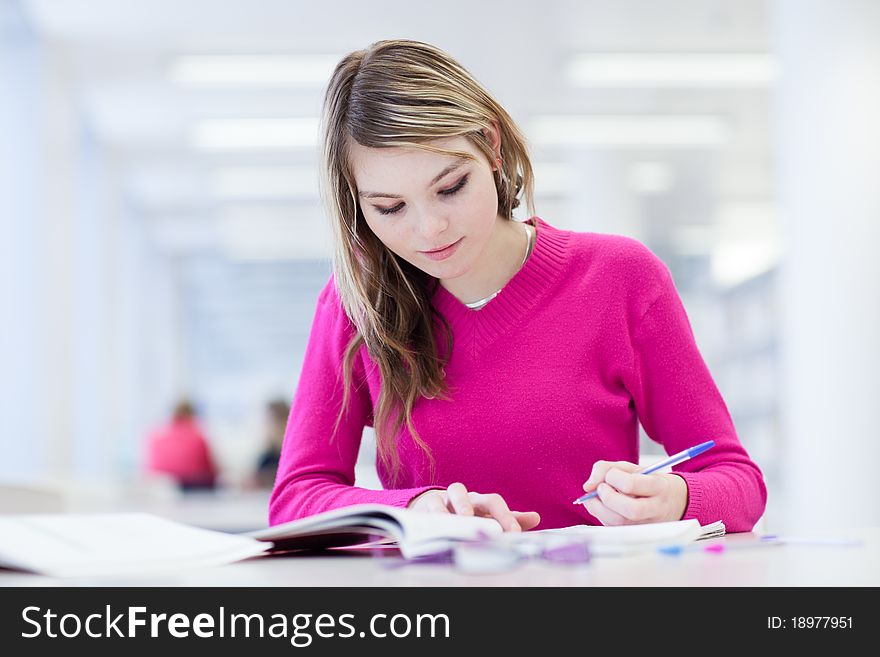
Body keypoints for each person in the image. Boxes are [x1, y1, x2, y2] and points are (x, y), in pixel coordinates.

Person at [269, 40, 766, 533]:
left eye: (450, 188)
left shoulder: (620, 278)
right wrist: (413, 509)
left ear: (491, 146)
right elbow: (296, 497)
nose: (429, 229)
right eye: (390, 208)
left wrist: (676, 497)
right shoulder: (357, 303)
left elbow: (738, 483)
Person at [145, 399, 218, 491]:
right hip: (195, 489)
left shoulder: (156, 436)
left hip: (161, 489)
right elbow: (210, 470)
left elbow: (151, 468)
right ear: (192, 415)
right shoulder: (198, 437)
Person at [251, 399, 291, 489]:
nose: (267, 427)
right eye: (267, 422)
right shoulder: (266, 458)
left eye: (271, 421)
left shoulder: (294, 456)